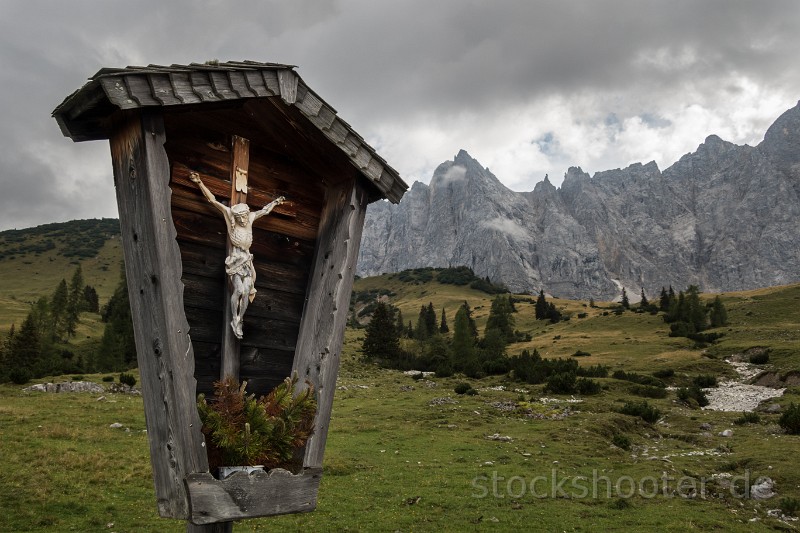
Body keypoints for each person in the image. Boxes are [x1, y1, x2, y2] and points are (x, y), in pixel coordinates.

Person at [189, 172, 285, 339]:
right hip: (235, 261)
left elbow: (265, 211)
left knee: (247, 291)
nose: (242, 220)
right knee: (239, 289)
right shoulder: (229, 217)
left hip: (247, 261)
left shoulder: (251, 219)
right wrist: (199, 182)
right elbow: (213, 201)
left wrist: (276, 202)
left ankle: (239, 319)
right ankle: (234, 317)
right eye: (239, 217)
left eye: (243, 217)